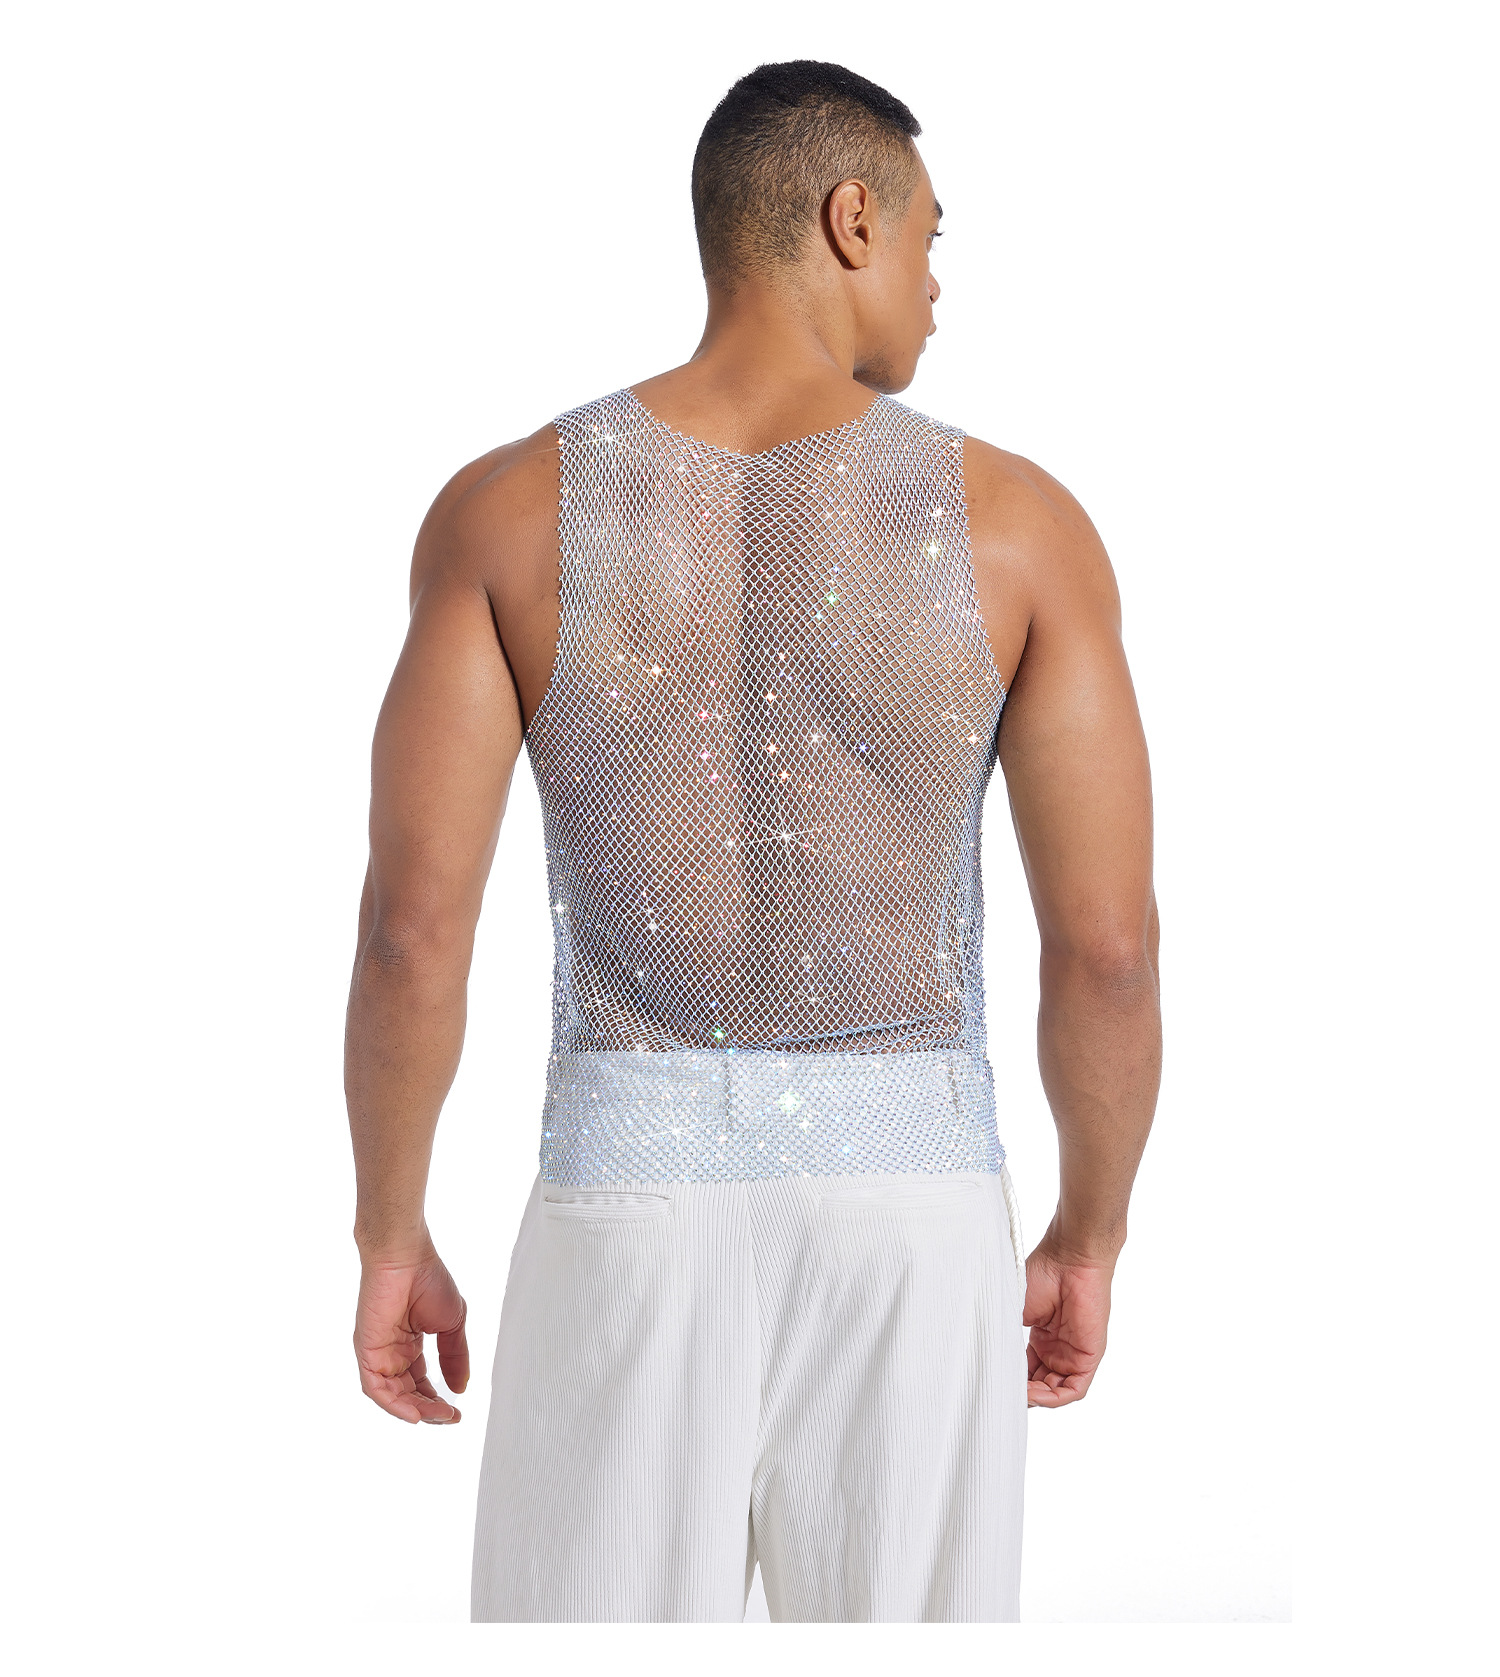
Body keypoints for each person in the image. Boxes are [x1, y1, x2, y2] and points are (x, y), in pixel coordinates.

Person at [344, 59, 1160, 1624]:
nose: (939, 284)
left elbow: (411, 931)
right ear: (854, 219)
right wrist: (1089, 1231)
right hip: (913, 1216)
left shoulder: (507, 513)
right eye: (930, 234)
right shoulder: (1021, 527)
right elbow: (1109, 950)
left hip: (624, 1207)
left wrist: (391, 1230)